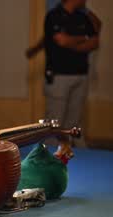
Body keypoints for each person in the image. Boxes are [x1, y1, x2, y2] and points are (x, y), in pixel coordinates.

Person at [44, 0, 101, 147]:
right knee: (54, 123)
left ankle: (71, 155)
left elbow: (95, 43)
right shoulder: (54, 15)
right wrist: (84, 39)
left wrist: (72, 43)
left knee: (74, 122)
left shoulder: (83, 16)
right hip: (59, 75)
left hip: (81, 74)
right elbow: (61, 41)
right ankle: (49, 156)